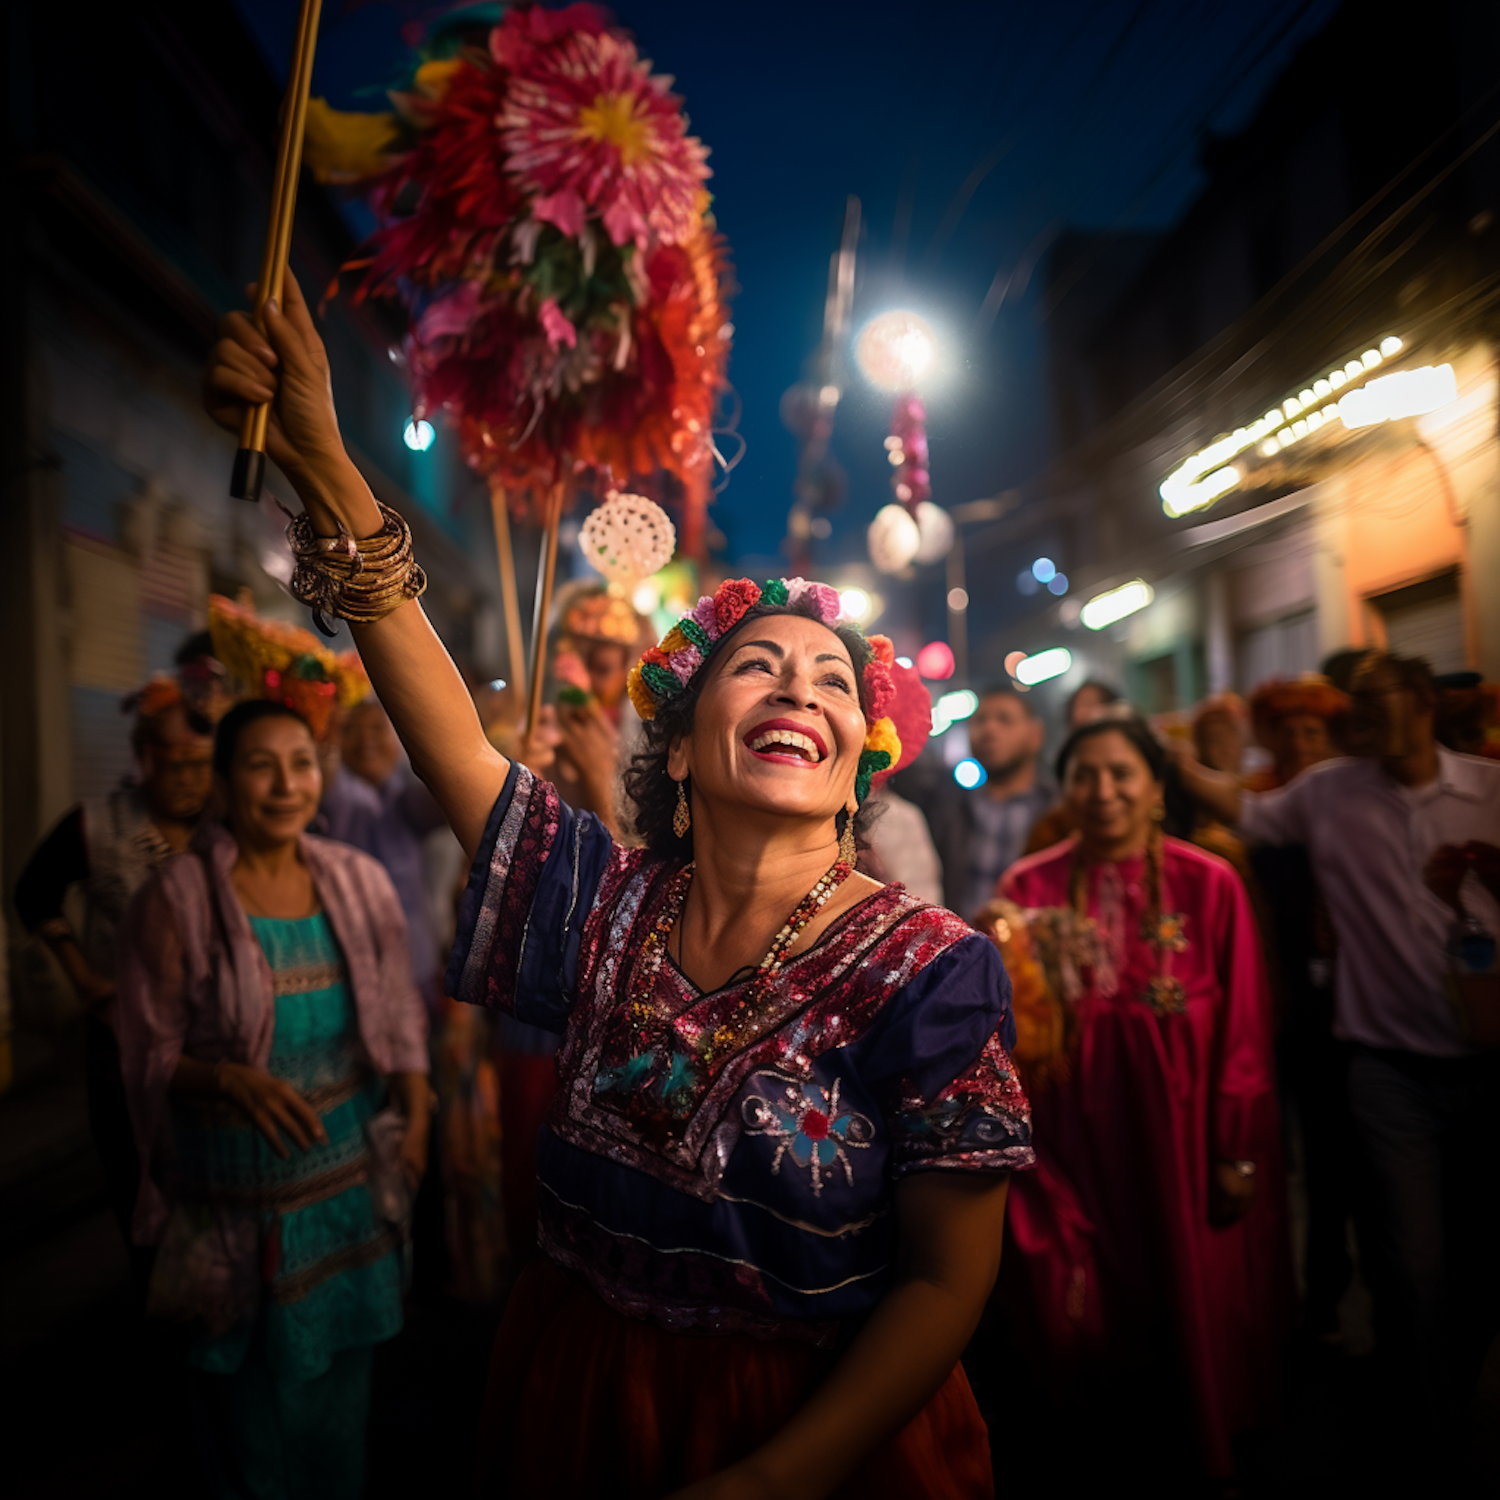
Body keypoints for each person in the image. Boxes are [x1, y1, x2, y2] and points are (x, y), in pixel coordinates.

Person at [202, 271, 1034, 1499]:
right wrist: (324, 458)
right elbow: (444, 733)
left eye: (832, 682)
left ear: (859, 766)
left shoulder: (935, 970)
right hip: (576, 1401)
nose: (800, 689)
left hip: (831, 1436)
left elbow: (945, 1284)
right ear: (686, 744)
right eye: (759, 667)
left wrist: (775, 1478)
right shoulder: (597, 897)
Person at [1176, 652, 1500, 1461]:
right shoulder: (1328, 792)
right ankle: (1429, 1442)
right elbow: (1242, 813)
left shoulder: (1490, 789)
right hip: (1385, 1068)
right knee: (1411, 1263)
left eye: (1373, 698)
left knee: (1483, 1261)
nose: (1356, 714)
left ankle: (1441, 1397)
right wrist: (1169, 754)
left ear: (1421, 702)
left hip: (1490, 1065)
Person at [115, 699, 431, 1498]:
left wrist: (418, 1114)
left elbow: (397, 1010)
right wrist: (228, 1078)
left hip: (346, 1209)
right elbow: (146, 1048)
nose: (286, 783)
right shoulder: (176, 900)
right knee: (251, 1437)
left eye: (300, 762)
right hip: (236, 1215)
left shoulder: (355, 881)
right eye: (261, 765)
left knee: (338, 1421)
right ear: (223, 784)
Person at [991, 714, 1289, 1482]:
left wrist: (1236, 1147)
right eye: (1084, 775)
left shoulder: (1209, 883)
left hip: (1180, 1140)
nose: (1103, 791)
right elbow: (1007, 1028)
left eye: (1122, 773)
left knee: (1186, 1300)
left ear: (1157, 788)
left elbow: (1246, 1031)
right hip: (1070, 1142)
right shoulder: (1031, 885)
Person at [14, 676, 214, 1295]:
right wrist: (80, 973)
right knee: (141, 1197)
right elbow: (34, 893)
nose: (187, 779)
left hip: (212, 1049)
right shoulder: (97, 827)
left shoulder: (228, 826)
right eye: (172, 764)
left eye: (200, 765)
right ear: (144, 758)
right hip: (122, 1052)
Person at [1243, 675, 1354, 1342]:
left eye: (1312, 731)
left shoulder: (1349, 803)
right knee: (1292, 1161)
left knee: (1342, 1161)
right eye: (1287, 731)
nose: (1300, 743)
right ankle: (1309, 1303)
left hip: (1353, 1004)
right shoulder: (1260, 807)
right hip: (1282, 1001)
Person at [321, 697, 447, 1013]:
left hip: (415, 966)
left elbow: (440, 801)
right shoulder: (329, 798)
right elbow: (331, 788)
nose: (367, 740)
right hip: (345, 970)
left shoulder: (405, 796)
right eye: (351, 729)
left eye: (378, 728)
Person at [927, 683, 1052, 919]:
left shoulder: (1056, 812)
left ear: (1036, 735)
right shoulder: (948, 808)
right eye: (980, 720)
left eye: (1005, 720)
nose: (989, 729)